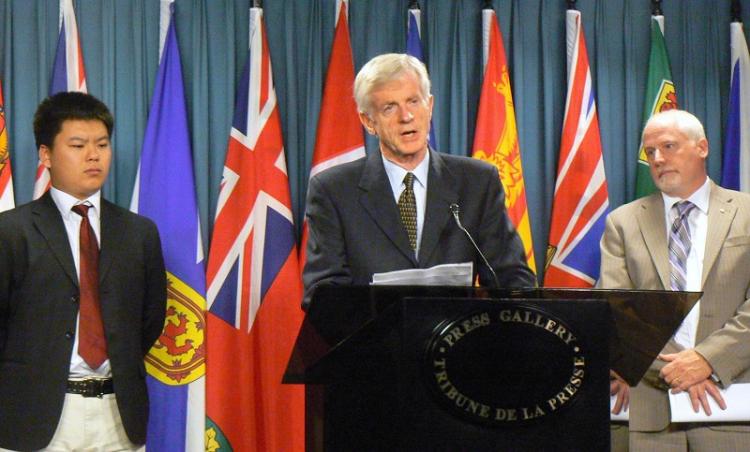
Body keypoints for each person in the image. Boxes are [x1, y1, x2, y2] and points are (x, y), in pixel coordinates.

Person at [0, 92, 166, 450]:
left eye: (102, 144)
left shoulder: (139, 232)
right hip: (34, 416)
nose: (94, 155)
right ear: (46, 155)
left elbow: (150, 319)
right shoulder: (11, 231)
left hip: (118, 415)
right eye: (78, 145)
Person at [302, 53, 535, 306]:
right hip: (374, 342)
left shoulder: (478, 182)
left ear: (430, 105)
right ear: (369, 122)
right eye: (389, 108)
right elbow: (323, 293)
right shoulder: (334, 190)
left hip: (457, 340)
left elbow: (513, 279)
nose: (406, 117)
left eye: (413, 101)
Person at [600, 109, 750, 450]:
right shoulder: (623, 223)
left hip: (733, 404)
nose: (658, 159)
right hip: (649, 414)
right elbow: (616, 308)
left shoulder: (747, 212)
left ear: (702, 147)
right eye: (650, 152)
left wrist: (709, 360)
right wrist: (674, 369)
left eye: (668, 146)